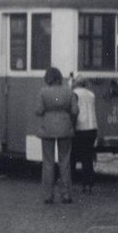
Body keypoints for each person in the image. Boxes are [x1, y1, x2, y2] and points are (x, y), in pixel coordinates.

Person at [35, 67, 78, 204]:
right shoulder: (69, 91)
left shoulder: (43, 92)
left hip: (48, 129)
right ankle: (66, 195)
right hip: (65, 128)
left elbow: (39, 111)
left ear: (48, 78)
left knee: (48, 162)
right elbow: (75, 111)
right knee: (65, 162)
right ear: (59, 77)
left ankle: (48, 195)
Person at [70, 77, 99, 193]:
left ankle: (70, 181)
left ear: (75, 84)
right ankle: (88, 183)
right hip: (92, 127)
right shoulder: (91, 94)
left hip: (80, 127)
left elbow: (74, 111)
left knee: (72, 156)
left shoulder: (74, 94)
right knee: (87, 157)